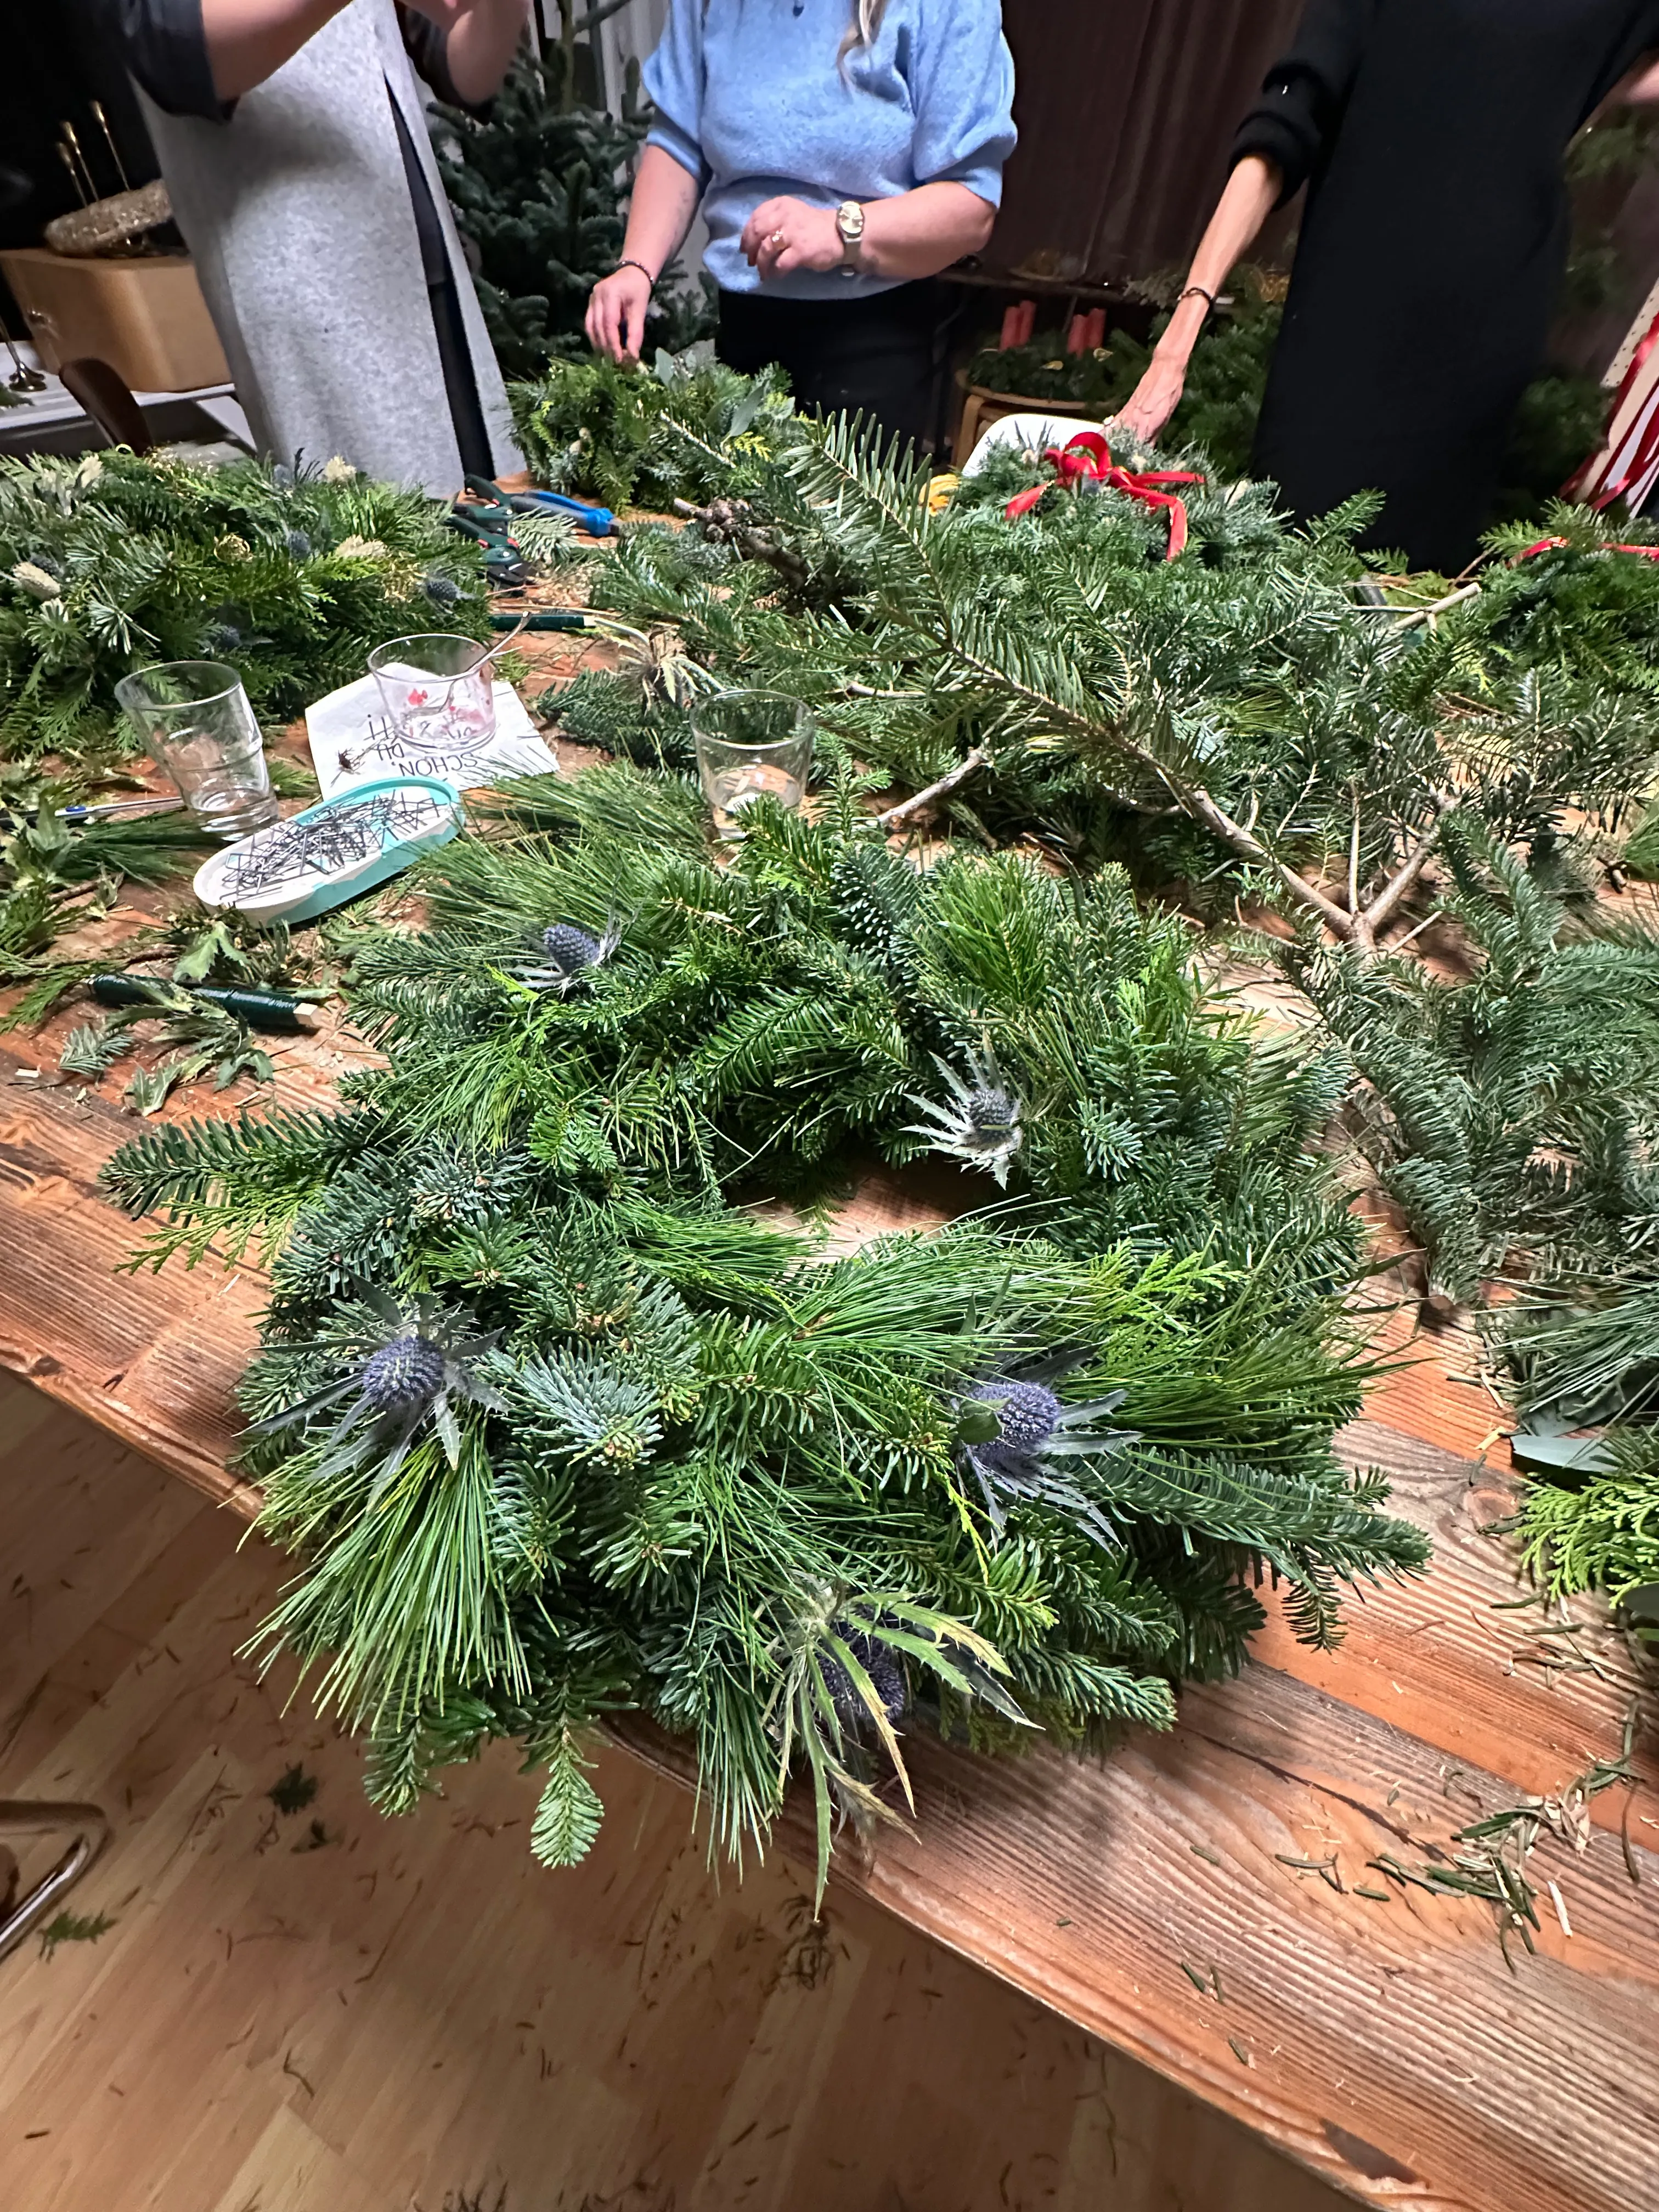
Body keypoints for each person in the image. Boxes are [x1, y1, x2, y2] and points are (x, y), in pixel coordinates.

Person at [1118, 1, 1659, 573]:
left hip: (1488, 322)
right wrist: (1178, 339)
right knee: (1289, 558)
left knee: (1412, 594)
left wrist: (1596, 85)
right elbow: (1285, 120)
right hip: (1345, 315)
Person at [110, 0, 529, 495]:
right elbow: (176, 53)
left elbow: (466, 72)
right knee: (377, 551)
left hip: (422, 277)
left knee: (500, 530)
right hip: (311, 300)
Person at [585, 0, 1017, 452]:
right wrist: (636, 266)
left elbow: (971, 207)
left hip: (874, 341)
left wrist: (842, 231)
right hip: (743, 332)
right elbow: (679, 138)